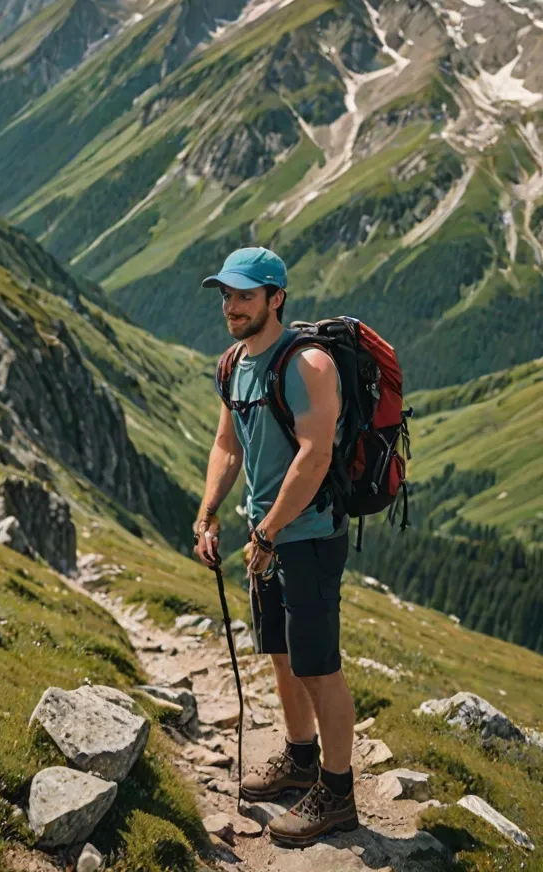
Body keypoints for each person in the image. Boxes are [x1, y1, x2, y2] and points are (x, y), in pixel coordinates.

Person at [193, 246, 359, 848]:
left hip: (309, 536)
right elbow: (228, 446)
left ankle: (338, 795)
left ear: (275, 298)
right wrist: (209, 512)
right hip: (266, 535)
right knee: (282, 655)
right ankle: (299, 758)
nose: (231, 307)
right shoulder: (233, 363)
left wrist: (267, 532)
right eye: (226, 296)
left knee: (320, 667)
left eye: (244, 295)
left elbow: (315, 457)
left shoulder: (308, 364)